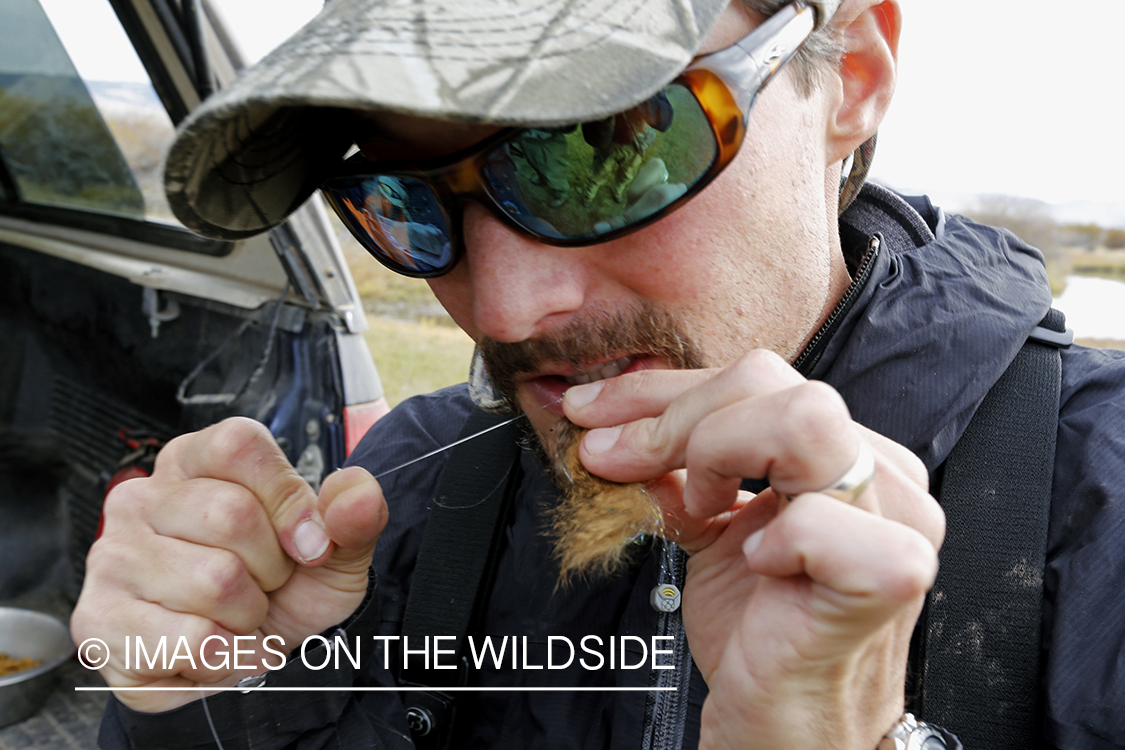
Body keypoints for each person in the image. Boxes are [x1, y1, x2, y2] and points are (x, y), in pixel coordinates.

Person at [71, 1, 1125, 749]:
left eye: (605, 148)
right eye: (399, 200)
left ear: (848, 75)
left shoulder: (1102, 518)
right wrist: (214, 698)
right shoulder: (412, 487)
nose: (506, 310)